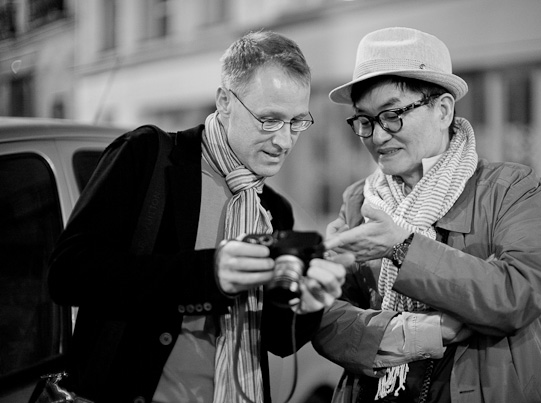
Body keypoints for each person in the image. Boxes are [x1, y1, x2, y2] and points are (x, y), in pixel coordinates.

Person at [47, 31, 347, 403]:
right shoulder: (148, 156)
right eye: (269, 120)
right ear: (224, 102)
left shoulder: (275, 210)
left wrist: (309, 305)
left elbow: (276, 341)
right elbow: (67, 274)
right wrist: (209, 274)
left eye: (296, 122)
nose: (284, 141)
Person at [312, 27, 541, 403]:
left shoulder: (509, 187)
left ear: (443, 110)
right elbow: (326, 319)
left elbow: (520, 293)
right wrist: (419, 332)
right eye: (364, 120)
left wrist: (402, 246)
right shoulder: (359, 200)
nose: (378, 137)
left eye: (392, 114)